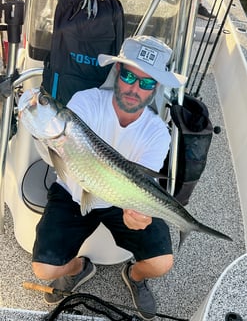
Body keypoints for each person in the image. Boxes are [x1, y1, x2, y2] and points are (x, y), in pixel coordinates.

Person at [31, 35, 187, 320]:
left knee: (161, 263)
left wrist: (139, 212)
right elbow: (56, 141)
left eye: (147, 82)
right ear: (117, 72)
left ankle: (134, 276)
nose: (135, 88)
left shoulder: (157, 133)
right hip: (74, 190)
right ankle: (79, 268)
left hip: (122, 196)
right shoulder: (86, 101)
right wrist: (35, 116)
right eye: (128, 75)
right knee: (44, 269)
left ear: (156, 89)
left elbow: (141, 183)